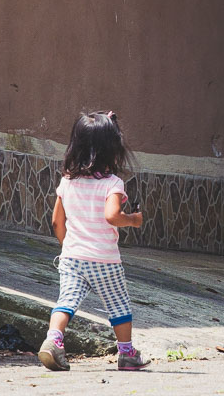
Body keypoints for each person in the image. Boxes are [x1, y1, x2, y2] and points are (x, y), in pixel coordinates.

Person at [37, 111, 149, 372]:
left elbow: (56, 222)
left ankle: (53, 340)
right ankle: (127, 354)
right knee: (119, 305)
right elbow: (112, 216)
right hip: (104, 260)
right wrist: (133, 219)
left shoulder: (67, 181)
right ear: (112, 150)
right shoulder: (113, 184)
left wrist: (69, 246)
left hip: (72, 258)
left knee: (66, 302)